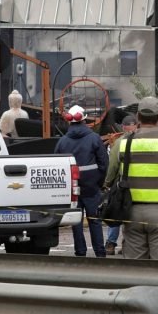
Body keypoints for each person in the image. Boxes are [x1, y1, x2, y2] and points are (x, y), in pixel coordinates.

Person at [104, 96, 158, 261]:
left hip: (132, 213)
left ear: (138, 117)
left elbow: (110, 176)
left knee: (136, 271)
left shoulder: (122, 143)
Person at [55, 105, 108, 258]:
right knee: (95, 220)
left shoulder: (63, 141)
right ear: (84, 120)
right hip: (92, 188)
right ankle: (100, 253)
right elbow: (104, 163)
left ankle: (80, 252)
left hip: (72, 190)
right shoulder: (94, 138)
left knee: (76, 222)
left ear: (69, 121)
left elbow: (57, 166)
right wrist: (100, 183)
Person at [106, 114, 138, 256]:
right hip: (140, 184)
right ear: (137, 126)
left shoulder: (119, 143)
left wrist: (107, 183)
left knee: (116, 211)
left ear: (123, 127)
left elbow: (112, 166)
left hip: (122, 184)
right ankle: (127, 245)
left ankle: (111, 243)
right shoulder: (143, 141)